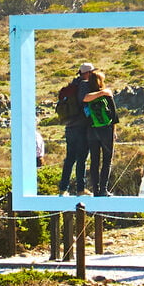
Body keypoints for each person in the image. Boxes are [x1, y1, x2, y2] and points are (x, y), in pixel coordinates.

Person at [55, 62, 97, 196]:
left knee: (70, 159)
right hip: (81, 127)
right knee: (82, 159)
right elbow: (84, 101)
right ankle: (80, 189)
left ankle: (63, 189)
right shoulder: (84, 86)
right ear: (88, 73)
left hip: (70, 127)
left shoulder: (73, 85)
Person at [81, 72, 120, 198]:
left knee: (94, 161)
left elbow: (84, 107)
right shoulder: (107, 95)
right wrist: (114, 131)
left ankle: (96, 190)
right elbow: (114, 116)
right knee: (107, 161)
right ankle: (104, 189)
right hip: (106, 131)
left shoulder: (88, 96)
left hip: (92, 131)